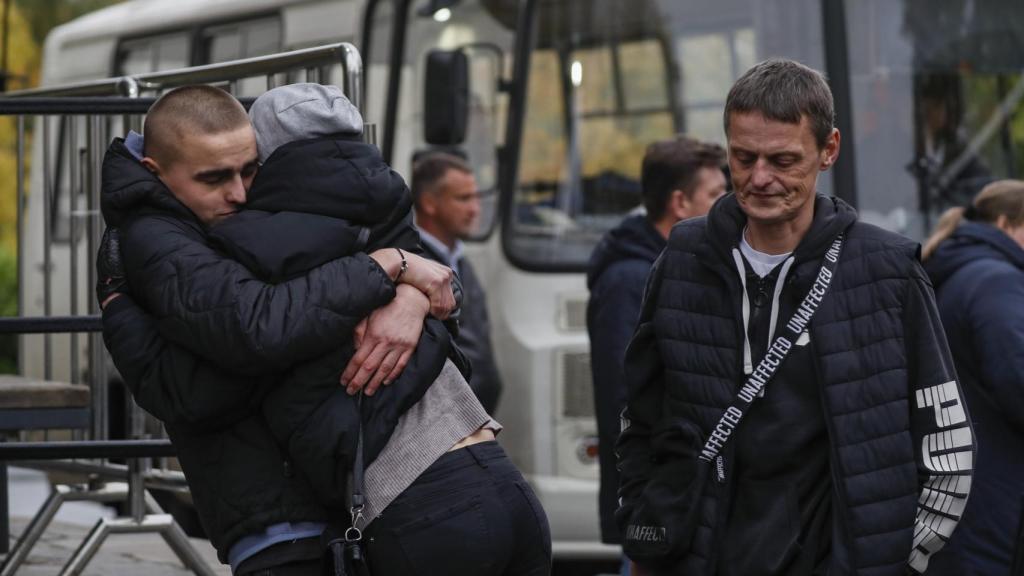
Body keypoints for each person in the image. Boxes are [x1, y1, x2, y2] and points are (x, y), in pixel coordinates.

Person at [99, 84, 550, 575]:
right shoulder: (180, 240)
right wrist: (390, 269)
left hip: (393, 512)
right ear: (156, 172)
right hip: (467, 493)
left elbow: (441, 289)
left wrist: (410, 292)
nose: (239, 193)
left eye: (249, 170)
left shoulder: (270, 234)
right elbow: (254, 334)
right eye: (214, 178)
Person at [615, 59, 974, 576]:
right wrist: (648, 536)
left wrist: (898, 561)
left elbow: (946, 441)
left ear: (829, 150)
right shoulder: (682, 259)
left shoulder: (887, 271)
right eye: (743, 158)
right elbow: (639, 418)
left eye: (783, 160)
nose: (760, 178)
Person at [586, 136, 725, 554]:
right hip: (656, 500)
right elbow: (624, 398)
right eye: (716, 194)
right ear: (680, 203)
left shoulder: (678, 267)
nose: (729, 205)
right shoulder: (629, 281)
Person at [921, 180, 1024, 576]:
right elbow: (1017, 379)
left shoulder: (956, 270)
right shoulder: (997, 281)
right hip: (1000, 497)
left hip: (961, 488)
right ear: (1005, 223)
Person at [411, 152, 503, 413]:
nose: (475, 209)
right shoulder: (416, 269)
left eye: (476, 197)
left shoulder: (460, 261)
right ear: (429, 203)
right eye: (463, 198)